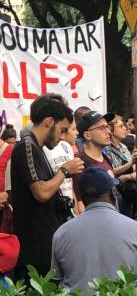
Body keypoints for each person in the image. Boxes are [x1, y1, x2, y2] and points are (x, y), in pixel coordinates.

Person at [11, 95, 84, 279]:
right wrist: (64, 171)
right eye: (62, 129)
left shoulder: (37, 148)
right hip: (35, 250)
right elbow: (41, 193)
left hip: (46, 246)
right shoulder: (26, 147)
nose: (62, 136)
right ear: (49, 122)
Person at [51, 167, 137, 294]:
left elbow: (56, 280)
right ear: (113, 192)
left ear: (82, 197)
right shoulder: (134, 229)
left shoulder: (62, 232)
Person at [73, 110, 115, 203]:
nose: (108, 132)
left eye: (107, 127)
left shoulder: (106, 158)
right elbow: (80, 204)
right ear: (88, 135)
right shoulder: (79, 163)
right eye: (102, 128)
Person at [43, 113, 78, 211]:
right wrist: (64, 171)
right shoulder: (43, 149)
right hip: (52, 208)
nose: (77, 132)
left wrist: (76, 208)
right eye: (74, 129)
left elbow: (69, 184)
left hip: (68, 207)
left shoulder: (67, 147)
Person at [105, 115, 137, 217]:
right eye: (121, 126)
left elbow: (131, 167)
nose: (125, 128)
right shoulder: (106, 149)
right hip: (118, 194)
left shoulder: (123, 146)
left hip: (129, 191)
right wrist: (130, 174)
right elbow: (111, 172)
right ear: (111, 129)